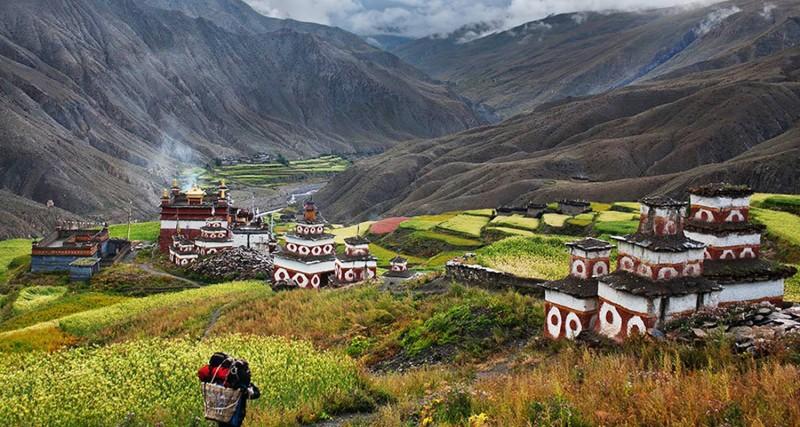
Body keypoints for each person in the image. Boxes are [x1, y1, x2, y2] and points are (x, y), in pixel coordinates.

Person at [199, 353, 260, 427]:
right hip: (233, 417)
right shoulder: (237, 379)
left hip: (220, 414)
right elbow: (255, 394)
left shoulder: (216, 377)